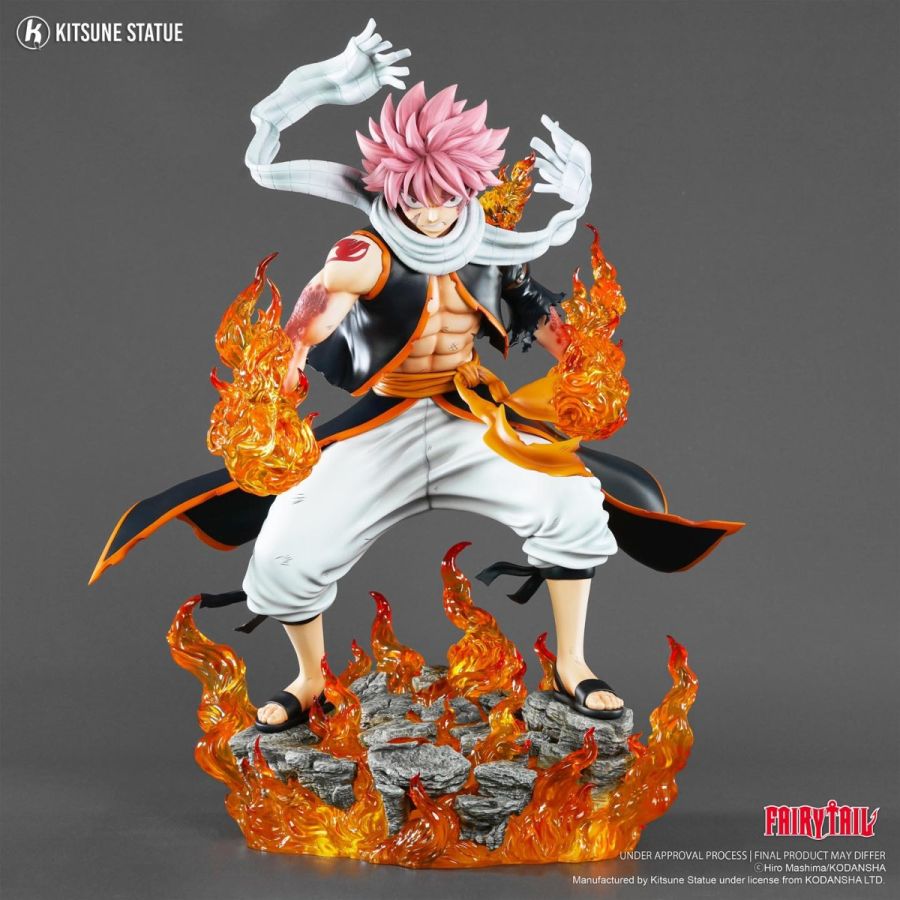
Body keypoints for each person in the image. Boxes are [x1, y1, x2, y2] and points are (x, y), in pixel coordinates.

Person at [90, 21, 742, 733]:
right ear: (391, 190)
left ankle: (572, 665)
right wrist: (276, 385)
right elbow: (301, 320)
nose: (432, 216)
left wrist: (587, 368)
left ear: (469, 190)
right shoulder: (363, 253)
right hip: (384, 421)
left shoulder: (492, 248)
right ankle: (309, 679)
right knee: (284, 551)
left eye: (447, 198)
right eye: (417, 200)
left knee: (574, 506)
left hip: (470, 419)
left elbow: (548, 320)